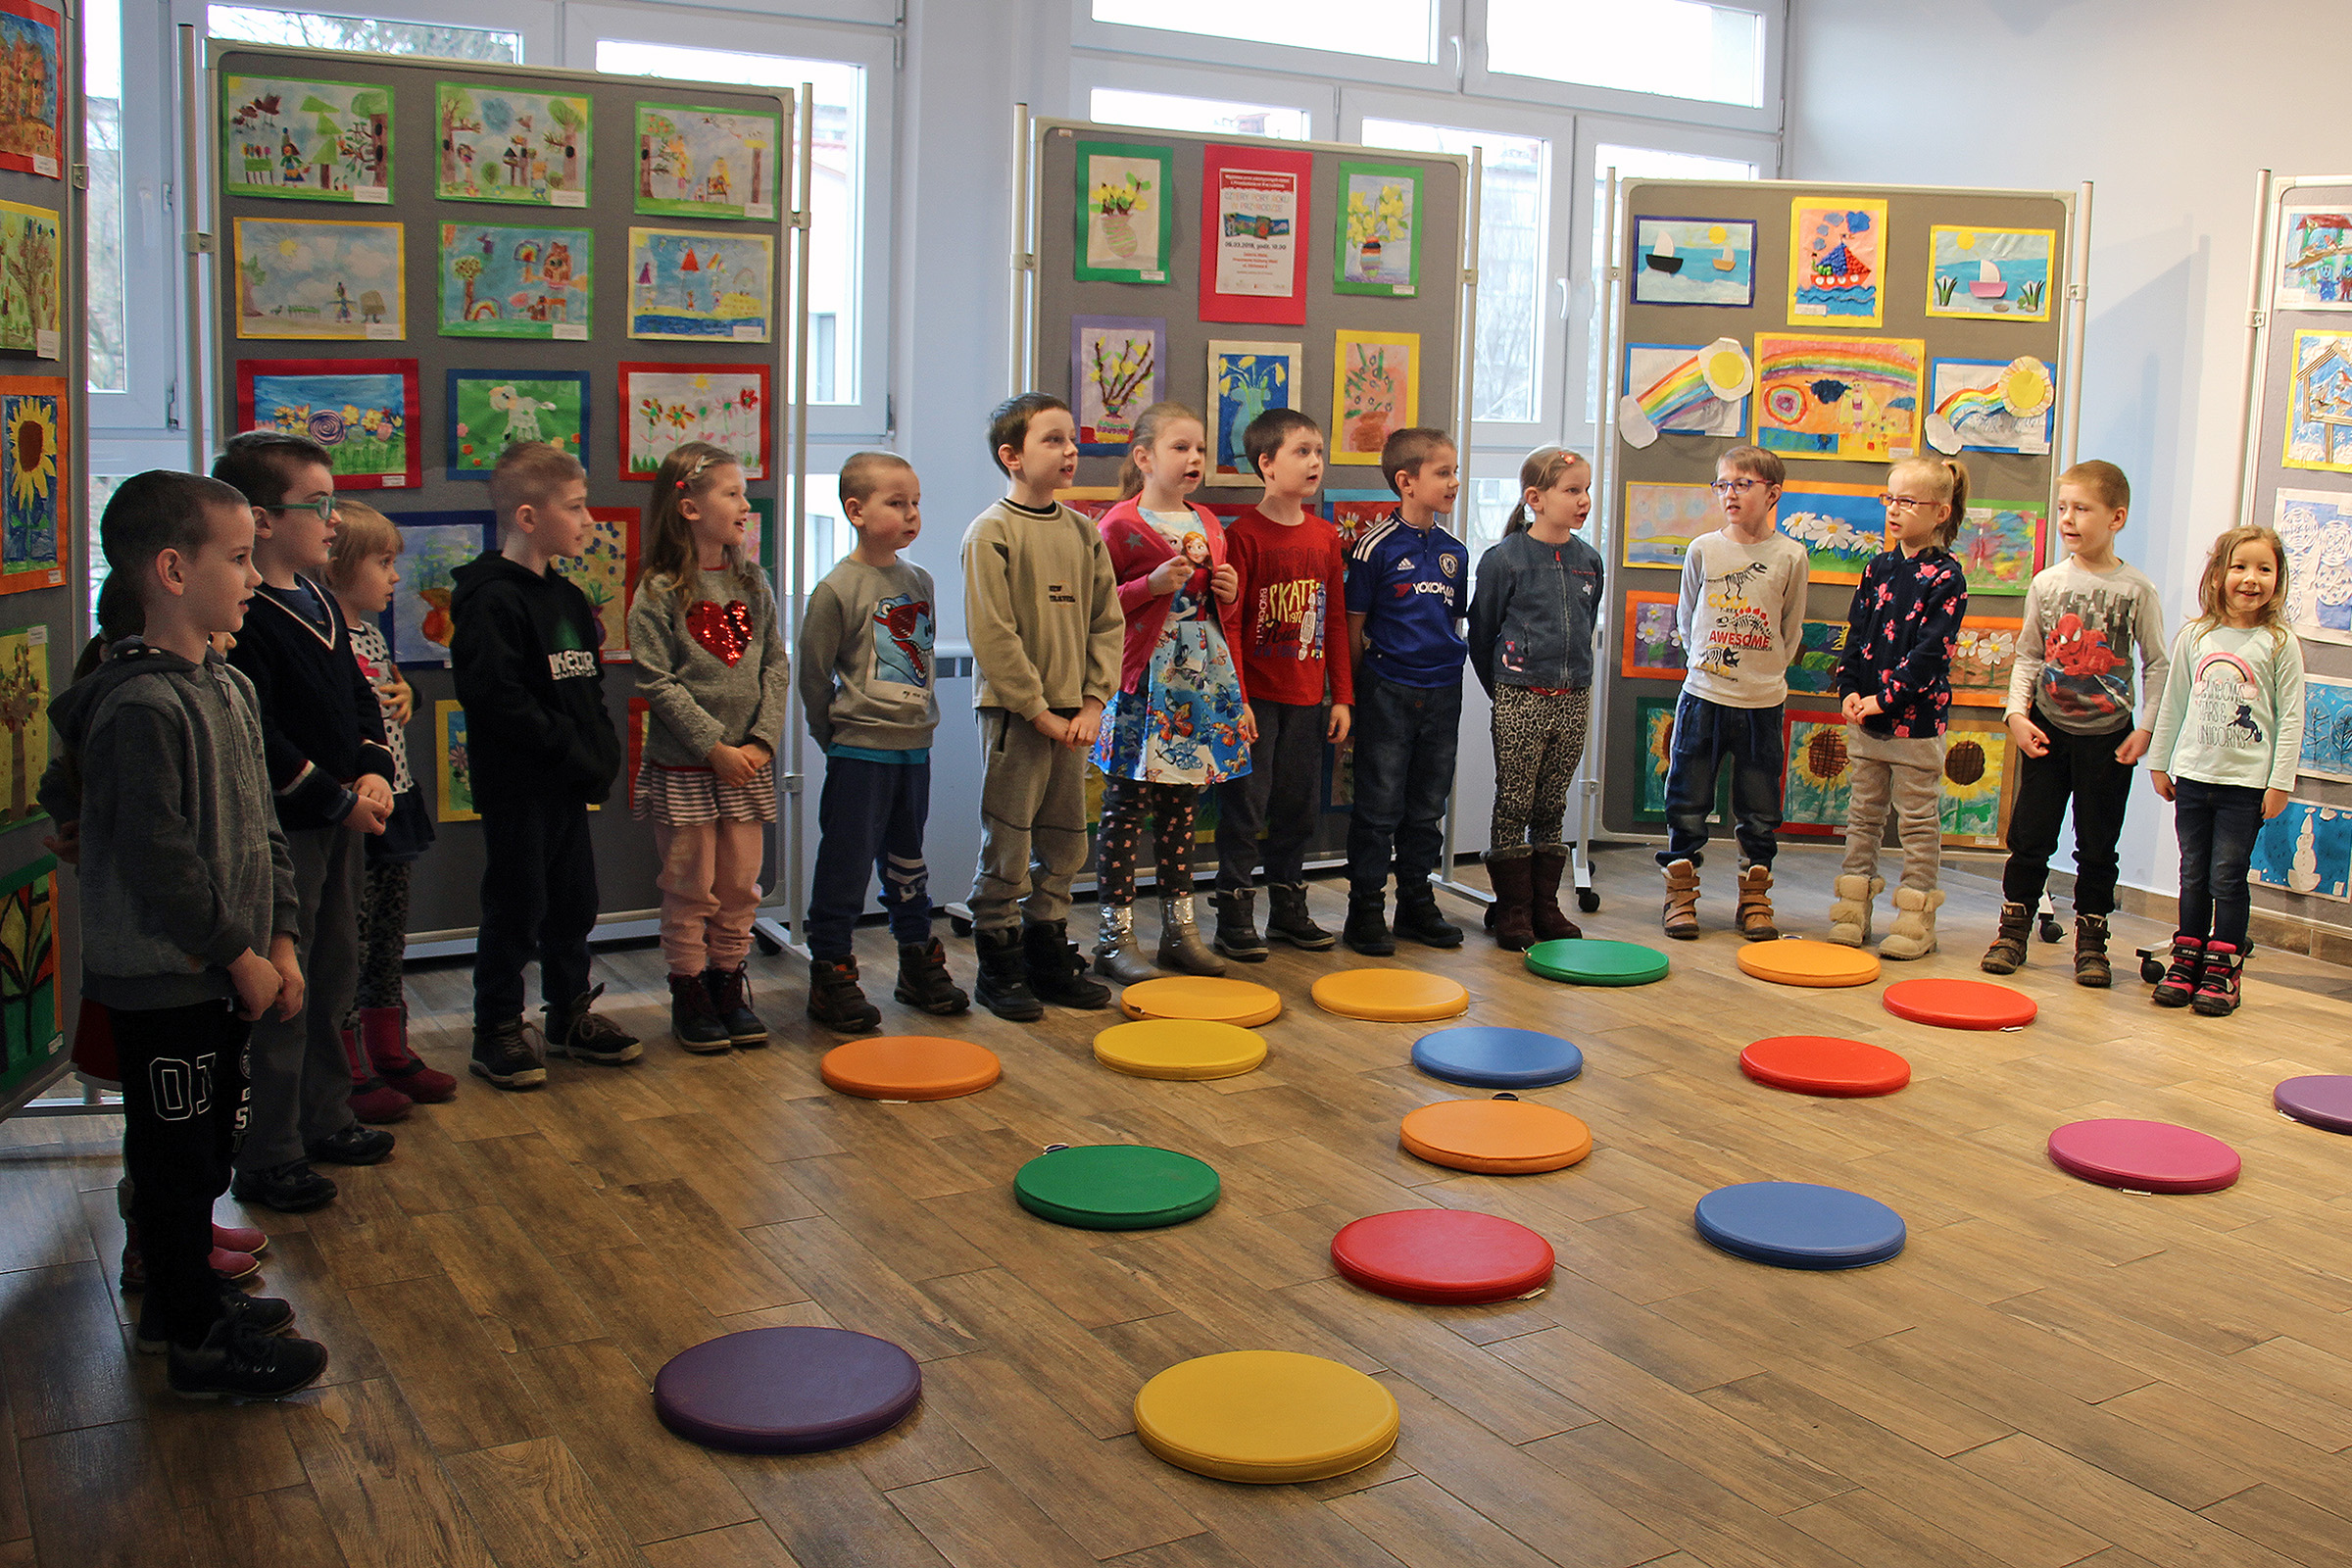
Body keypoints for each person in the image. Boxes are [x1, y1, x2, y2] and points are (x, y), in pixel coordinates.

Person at [40, 470, 325, 1397]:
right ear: (171, 570)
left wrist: (280, 942)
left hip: (227, 972)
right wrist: (237, 953)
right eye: (238, 558)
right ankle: (199, 1343)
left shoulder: (228, 686)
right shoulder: (139, 707)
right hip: (169, 983)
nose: (252, 577)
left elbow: (263, 831)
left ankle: (181, 1301)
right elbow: (159, 859)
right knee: (172, 1162)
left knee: (203, 1152)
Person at [214, 431, 397, 1212]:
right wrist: (334, 796)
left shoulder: (320, 598)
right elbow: (261, 738)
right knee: (285, 990)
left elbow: (358, 697)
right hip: (288, 831)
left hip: (341, 822)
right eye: (317, 505)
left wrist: (373, 769)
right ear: (262, 519)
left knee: (333, 972)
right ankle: (271, 1150)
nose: (334, 519)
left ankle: (327, 1114)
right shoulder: (247, 615)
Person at [452, 441, 637, 1088]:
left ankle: (568, 1015)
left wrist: (600, 752)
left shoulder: (568, 597)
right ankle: (496, 1027)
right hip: (519, 786)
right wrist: (568, 749)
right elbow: (498, 699)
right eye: (577, 507)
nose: (589, 520)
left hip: (565, 785)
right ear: (529, 517)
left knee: (573, 903)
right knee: (517, 905)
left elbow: (586, 688)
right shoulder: (489, 600)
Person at [961, 393, 1121, 1020]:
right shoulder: (991, 532)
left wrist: (1092, 702)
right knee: (1007, 842)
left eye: (1071, 439)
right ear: (1012, 456)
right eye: (1052, 440)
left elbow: (1107, 623)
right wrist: (1037, 710)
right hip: (1016, 717)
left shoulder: (1083, 532)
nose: (1069, 451)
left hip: (1074, 719)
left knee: (1066, 841)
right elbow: (993, 634)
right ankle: (999, 964)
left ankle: (1046, 952)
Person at [1981, 460, 2170, 984]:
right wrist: (2016, 714)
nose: (2067, 518)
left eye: (2081, 509)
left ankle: (2092, 942)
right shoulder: (2047, 583)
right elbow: (2028, 654)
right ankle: (2012, 931)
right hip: (2047, 730)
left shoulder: (2137, 590)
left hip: (2109, 739)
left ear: (2116, 517)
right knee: (2030, 837)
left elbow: (2157, 664)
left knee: (2098, 845)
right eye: (2063, 507)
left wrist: (2145, 729)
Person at [628, 442, 789, 1052]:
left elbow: (775, 664)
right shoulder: (659, 590)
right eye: (732, 493)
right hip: (689, 768)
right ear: (690, 507)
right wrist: (713, 747)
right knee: (689, 884)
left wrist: (762, 741)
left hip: (747, 766)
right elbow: (656, 682)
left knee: (740, 885)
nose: (746, 505)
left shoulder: (753, 582)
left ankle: (727, 981)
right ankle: (689, 990)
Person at [798, 452, 966, 1030]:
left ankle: (916, 960)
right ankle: (831, 969)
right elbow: (813, 675)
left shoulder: (919, 581)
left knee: (906, 862)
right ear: (856, 511)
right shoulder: (835, 589)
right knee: (845, 865)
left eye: (915, 502)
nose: (912, 513)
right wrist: (832, 735)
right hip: (858, 752)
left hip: (913, 750)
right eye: (896, 503)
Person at [1088, 402, 1252, 981]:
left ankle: (1179, 934)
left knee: (1181, 809)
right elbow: (1097, 607)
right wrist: (1149, 585)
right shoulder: (1118, 525)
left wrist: (1229, 592)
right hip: (1141, 682)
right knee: (1125, 808)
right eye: (1180, 447)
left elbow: (1221, 617)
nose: (1194, 458)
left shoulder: (1208, 522)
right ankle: (1114, 938)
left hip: (1197, 682)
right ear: (1144, 457)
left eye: (1200, 448)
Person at [322, 500, 456, 1113]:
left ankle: (387, 1048)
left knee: (387, 937)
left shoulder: (371, 635)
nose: (395, 576)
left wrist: (411, 694)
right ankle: (346, 1062)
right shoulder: (323, 637)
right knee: (349, 939)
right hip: (354, 808)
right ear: (336, 567)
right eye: (382, 563)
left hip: (396, 798)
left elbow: (388, 694)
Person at [2145, 524, 2304, 1016]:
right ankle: (2187, 959)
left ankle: (2225, 968)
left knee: (2228, 876)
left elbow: (2292, 716)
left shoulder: (2278, 642)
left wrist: (2279, 783)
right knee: (2193, 871)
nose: (2251, 578)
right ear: (2218, 574)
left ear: (2278, 579)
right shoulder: (2196, 636)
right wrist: (2160, 762)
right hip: (2194, 778)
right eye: (2240, 566)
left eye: (2264, 569)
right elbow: (2173, 703)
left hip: (2245, 786)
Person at [1210, 409, 1351, 958]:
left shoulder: (1325, 536)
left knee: (1298, 807)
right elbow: (1230, 625)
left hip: (1308, 699)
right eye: (1302, 451)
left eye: (1319, 451)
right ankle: (1233, 912)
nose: (1315, 462)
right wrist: (1239, 699)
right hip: (1256, 702)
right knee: (1246, 807)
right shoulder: (1243, 536)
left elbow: (1334, 620)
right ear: (1266, 464)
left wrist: (1342, 696)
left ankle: (1288, 909)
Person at [1660, 445, 1808, 941]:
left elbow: (1790, 628)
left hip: (1761, 703)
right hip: (1703, 696)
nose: (1730, 494)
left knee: (1759, 806)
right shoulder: (1704, 549)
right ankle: (1680, 892)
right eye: (1722, 484)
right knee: (1687, 799)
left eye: (1743, 484)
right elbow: (1686, 618)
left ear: (1773, 493)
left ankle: (1755, 897)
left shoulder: (1791, 555)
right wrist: (1707, 667)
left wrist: (1764, 674)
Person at [1828, 458, 1972, 959]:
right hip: (1866, 720)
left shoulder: (1947, 577)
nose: (1894, 509)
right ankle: (1853, 908)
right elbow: (1856, 635)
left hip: (1915, 724)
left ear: (1940, 512)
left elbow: (1930, 655)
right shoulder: (1877, 568)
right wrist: (1849, 688)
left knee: (1916, 822)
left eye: (1907, 501)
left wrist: (1885, 699)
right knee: (1862, 817)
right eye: (1889, 498)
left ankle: (1916, 916)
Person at [1468, 446, 1604, 950]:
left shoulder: (1589, 561)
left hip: (1573, 697)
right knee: (1514, 802)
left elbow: (1587, 625)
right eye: (1572, 490)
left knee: (1552, 803)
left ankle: (1544, 905)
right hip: (1520, 696)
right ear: (1536, 498)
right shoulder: (1505, 560)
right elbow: (1482, 633)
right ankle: (1513, 908)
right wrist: (1505, 690)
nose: (1583, 500)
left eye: (1586, 490)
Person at [1343, 426, 1470, 956]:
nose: (1455, 482)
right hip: (1387, 691)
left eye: (1455, 471)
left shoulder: (1455, 551)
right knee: (1378, 808)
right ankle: (1365, 910)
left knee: (1427, 807)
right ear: (1406, 481)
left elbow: (1452, 619)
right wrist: (1354, 696)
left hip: (1443, 691)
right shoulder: (1373, 547)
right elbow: (1353, 627)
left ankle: (1416, 904)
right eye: (1443, 472)